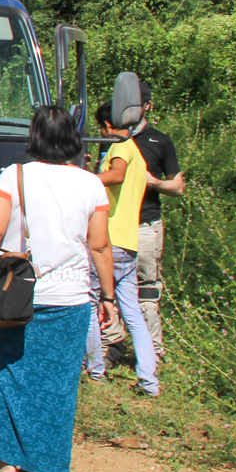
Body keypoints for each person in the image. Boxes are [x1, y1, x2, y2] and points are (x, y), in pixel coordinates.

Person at [0, 106, 114, 472]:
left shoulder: (13, 176)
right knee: (58, 382)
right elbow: (99, 247)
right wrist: (109, 298)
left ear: (34, 136)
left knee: (8, 371)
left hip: (16, 292)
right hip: (70, 296)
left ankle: (7, 461)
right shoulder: (91, 184)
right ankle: (49, 466)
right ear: (72, 139)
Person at [84, 101, 160, 397]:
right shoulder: (139, 154)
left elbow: (116, 175)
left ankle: (95, 370)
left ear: (106, 127)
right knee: (132, 313)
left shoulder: (120, 149)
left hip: (108, 242)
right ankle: (149, 379)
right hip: (129, 243)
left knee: (91, 305)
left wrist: (84, 178)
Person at [131, 82, 184, 361]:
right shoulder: (109, 138)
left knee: (147, 289)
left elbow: (178, 186)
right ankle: (109, 349)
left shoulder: (159, 141)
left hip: (146, 226)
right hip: (112, 227)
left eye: (135, 103)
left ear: (147, 105)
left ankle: (153, 353)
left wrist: (152, 182)